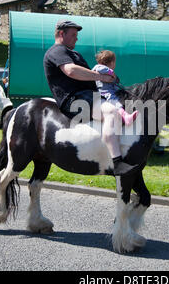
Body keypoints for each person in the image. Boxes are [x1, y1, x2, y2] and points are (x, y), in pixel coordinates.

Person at [43, 19, 140, 176]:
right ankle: (117, 163)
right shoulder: (57, 51)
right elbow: (71, 71)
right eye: (73, 34)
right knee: (111, 111)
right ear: (61, 34)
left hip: (89, 96)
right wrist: (100, 76)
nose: (77, 38)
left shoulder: (73, 53)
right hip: (74, 99)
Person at [92, 50, 138, 126]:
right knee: (115, 102)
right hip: (105, 92)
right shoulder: (100, 67)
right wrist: (111, 72)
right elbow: (100, 69)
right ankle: (125, 117)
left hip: (109, 90)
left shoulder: (103, 69)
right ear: (112, 62)